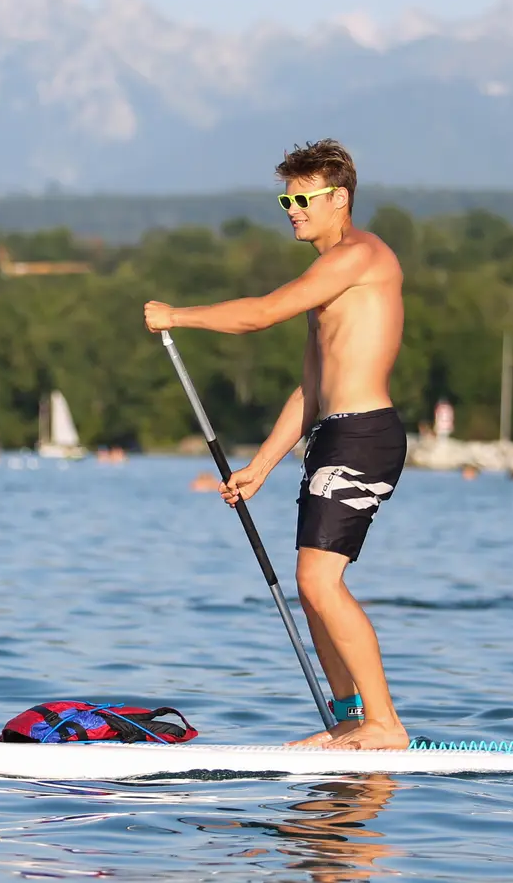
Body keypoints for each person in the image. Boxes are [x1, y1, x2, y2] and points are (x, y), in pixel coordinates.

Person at [144, 138, 411, 752]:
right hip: (333, 433)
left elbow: (261, 314)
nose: (292, 209)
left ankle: (384, 723)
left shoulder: (359, 256)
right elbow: (309, 392)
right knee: (309, 581)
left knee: (320, 582)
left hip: (365, 435)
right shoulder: (328, 282)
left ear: (338, 199)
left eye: (303, 198)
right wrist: (260, 467)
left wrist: (178, 316)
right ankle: (350, 718)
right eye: (285, 199)